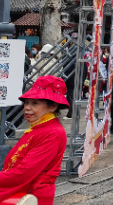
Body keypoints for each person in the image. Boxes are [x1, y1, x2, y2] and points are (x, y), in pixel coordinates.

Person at [0, 76, 69, 205]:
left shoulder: (52, 133)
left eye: (34, 103)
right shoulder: (40, 127)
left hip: (32, 195)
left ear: (52, 106)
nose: (27, 108)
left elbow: (24, 173)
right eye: (26, 102)